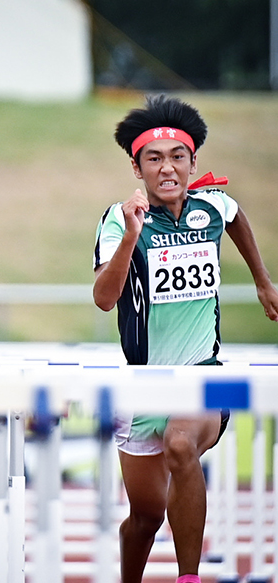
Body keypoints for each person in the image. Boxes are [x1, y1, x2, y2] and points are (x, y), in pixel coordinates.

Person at [92, 94, 278, 583]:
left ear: (193, 162)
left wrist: (262, 280)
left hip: (201, 374)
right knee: (146, 518)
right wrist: (131, 238)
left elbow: (236, 217)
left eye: (178, 157)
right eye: (154, 159)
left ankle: (188, 579)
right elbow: (104, 299)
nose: (167, 168)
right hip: (141, 388)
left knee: (181, 444)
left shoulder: (212, 205)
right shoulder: (118, 219)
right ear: (138, 169)